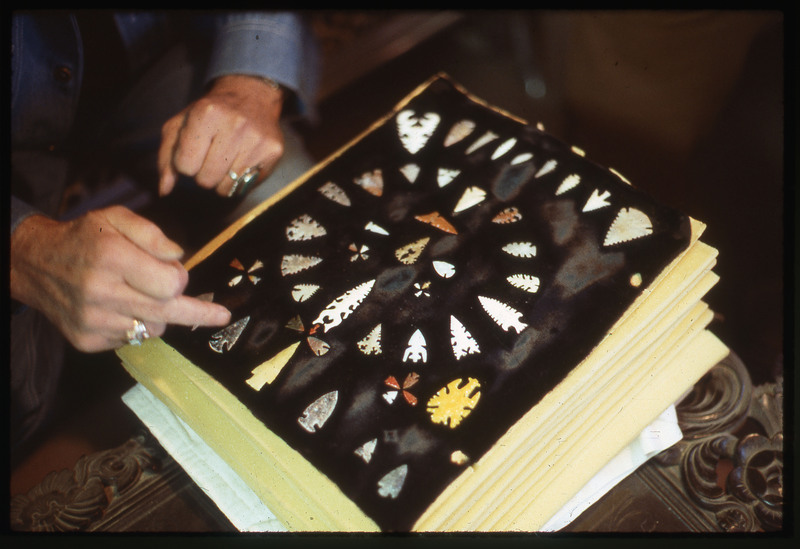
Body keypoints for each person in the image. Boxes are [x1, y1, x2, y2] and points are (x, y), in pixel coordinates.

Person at [9, 11, 320, 453]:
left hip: (148, 52)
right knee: (23, 402)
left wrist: (252, 81)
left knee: (292, 203)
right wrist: (22, 249)